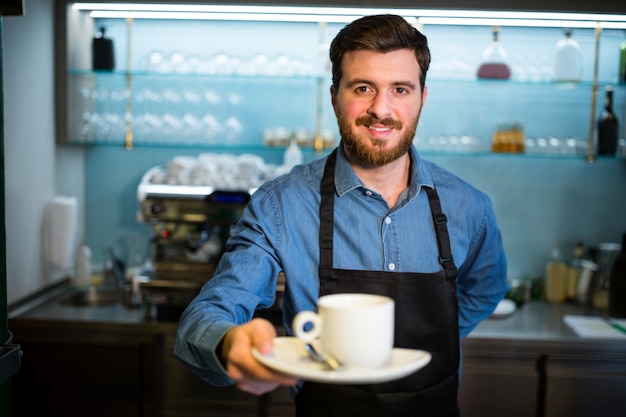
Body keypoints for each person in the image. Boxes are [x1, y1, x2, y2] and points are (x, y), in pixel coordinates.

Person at [175, 14, 508, 416]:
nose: (381, 109)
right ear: (335, 96)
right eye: (363, 87)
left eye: (400, 89)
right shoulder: (280, 205)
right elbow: (208, 313)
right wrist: (231, 344)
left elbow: (486, 289)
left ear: (422, 97)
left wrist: (431, 344)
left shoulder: (469, 207)